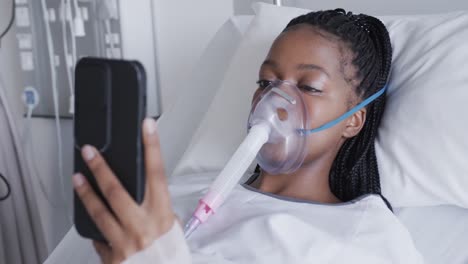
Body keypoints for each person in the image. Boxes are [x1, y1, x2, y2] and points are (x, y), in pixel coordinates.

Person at [72, 9, 424, 264]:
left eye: (308, 86)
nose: (276, 101)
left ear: (354, 121)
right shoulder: (173, 196)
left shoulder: (367, 240)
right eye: (266, 83)